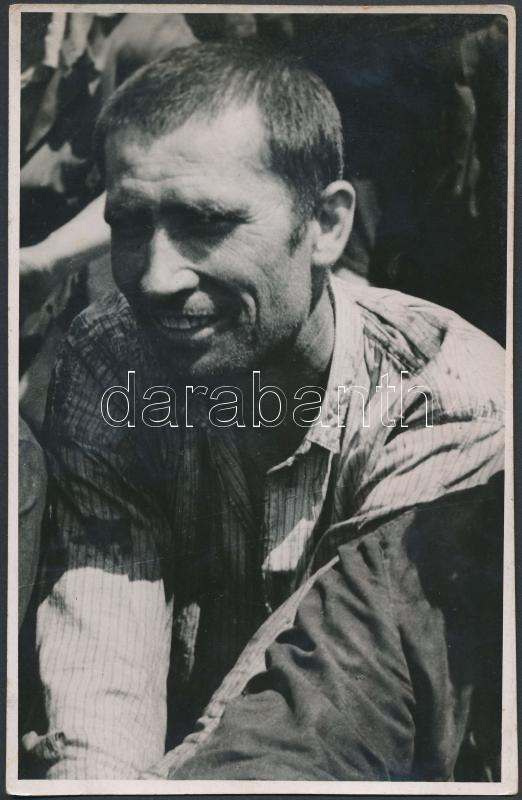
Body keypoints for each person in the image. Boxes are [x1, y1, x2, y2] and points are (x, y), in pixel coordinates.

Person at [26, 43, 504, 779]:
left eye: (206, 222)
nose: (154, 277)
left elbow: (318, 708)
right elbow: (101, 671)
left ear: (326, 225)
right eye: (130, 224)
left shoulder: (446, 396)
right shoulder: (113, 356)